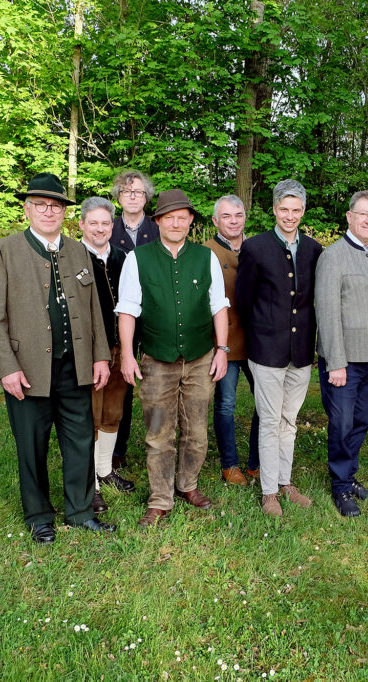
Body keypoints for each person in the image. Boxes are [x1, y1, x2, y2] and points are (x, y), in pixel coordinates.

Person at [0, 172, 115, 544]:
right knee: (32, 443)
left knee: (79, 440)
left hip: (76, 365)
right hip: (27, 370)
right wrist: (6, 367)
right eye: (40, 205)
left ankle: (79, 511)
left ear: (63, 212)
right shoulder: (3, 251)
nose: (47, 211)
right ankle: (39, 514)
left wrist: (101, 357)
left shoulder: (77, 250)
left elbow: (93, 309)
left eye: (55, 206)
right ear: (27, 209)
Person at [116, 189, 230, 528]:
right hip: (156, 359)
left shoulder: (205, 257)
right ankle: (160, 498)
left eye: (183, 217)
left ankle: (188, 486)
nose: (176, 223)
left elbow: (219, 306)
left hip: (199, 357)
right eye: (169, 217)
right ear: (159, 221)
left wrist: (222, 350)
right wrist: (126, 354)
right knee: (158, 431)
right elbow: (127, 310)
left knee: (196, 430)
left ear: (191, 221)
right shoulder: (138, 258)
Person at [236, 179, 322, 517]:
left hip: (300, 352)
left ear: (303, 211)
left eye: (296, 210)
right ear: (274, 210)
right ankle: (269, 490)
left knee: (290, 420)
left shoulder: (315, 250)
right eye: (284, 209)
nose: (290, 215)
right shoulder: (255, 247)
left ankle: (285, 481)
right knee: (270, 420)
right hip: (267, 350)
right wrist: (263, 331)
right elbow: (243, 300)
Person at [315, 190, 368, 517]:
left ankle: (349, 475)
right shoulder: (332, 256)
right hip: (343, 361)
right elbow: (328, 312)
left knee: (361, 420)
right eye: (363, 214)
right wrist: (335, 362)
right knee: (342, 423)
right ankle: (341, 487)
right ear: (349, 217)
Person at [78, 197, 135, 514]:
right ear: (82, 225)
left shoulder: (125, 257)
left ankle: (104, 470)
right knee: (90, 415)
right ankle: (90, 482)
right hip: (88, 351)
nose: (100, 229)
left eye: (105, 223)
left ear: (112, 226)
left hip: (120, 348)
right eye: (94, 223)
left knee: (113, 412)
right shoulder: (72, 257)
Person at [203, 195, 261, 485]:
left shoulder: (259, 248)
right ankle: (230, 464)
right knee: (226, 404)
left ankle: (256, 463)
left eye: (238, 215)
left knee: (265, 403)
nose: (234, 220)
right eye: (227, 216)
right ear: (215, 220)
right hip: (224, 342)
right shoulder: (205, 252)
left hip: (259, 341)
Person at [109, 169, 158, 471]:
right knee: (121, 385)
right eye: (127, 192)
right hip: (118, 316)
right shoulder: (107, 226)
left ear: (146, 197)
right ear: (118, 196)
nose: (132, 197)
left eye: (138, 192)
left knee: (157, 383)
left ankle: (160, 442)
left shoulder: (158, 227)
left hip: (155, 317)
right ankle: (117, 449)